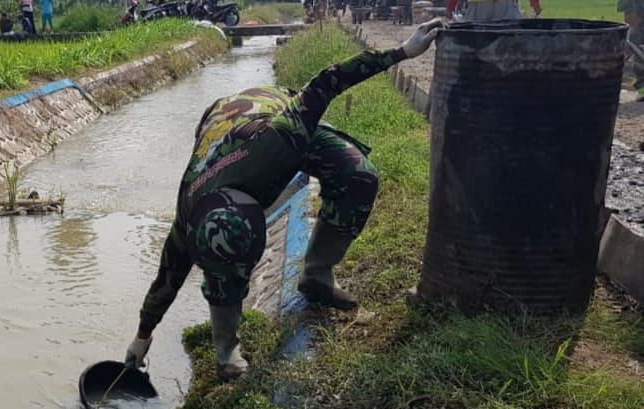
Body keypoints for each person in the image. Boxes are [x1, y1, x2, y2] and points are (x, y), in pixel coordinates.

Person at [124, 19, 445, 382]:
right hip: (220, 125)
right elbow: (167, 277)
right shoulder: (192, 206)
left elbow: (329, 80)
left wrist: (403, 51)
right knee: (225, 238)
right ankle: (226, 347)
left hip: (273, 113)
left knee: (358, 173)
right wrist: (142, 336)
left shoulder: (280, 137)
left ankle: (317, 276)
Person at [620, 0, 644, 101]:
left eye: (629, 13)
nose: (626, 18)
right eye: (625, 14)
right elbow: (627, 53)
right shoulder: (634, 32)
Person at [447, 0, 541, 21]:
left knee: (475, 43)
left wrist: (451, 6)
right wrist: (535, 4)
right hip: (505, 5)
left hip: (478, 6)